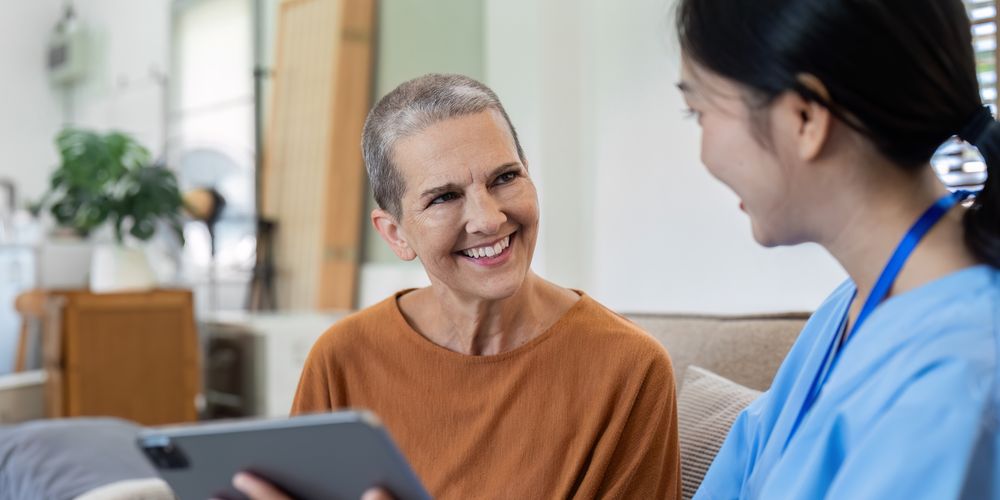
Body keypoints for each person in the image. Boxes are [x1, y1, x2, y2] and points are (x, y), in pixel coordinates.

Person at [234, 74, 681, 499]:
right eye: (444, 197)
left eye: (505, 178)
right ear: (395, 233)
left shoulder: (630, 368)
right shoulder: (342, 358)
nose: (489, 219)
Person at [675, 0, 1000, 497]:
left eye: (699, 111)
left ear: (805, 117)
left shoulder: (957, 383)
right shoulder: (848, 307)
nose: (704, 154)